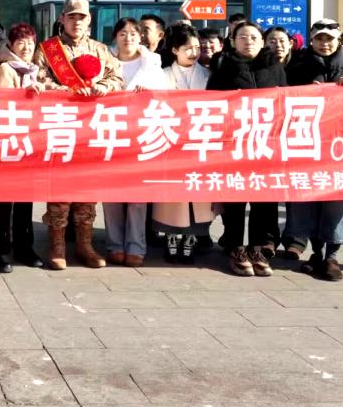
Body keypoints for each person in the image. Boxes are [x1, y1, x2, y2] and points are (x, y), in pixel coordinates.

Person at [33, 0, 124, 270]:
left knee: (87, 188)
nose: (76, 22)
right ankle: (57, 246)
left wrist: (105, 86)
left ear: (89, 20)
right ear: (62, 19)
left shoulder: (100, 49)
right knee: (59, 189)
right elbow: (38, 79)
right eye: (71, 16)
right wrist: (63, 89)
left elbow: (118, 78)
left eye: (81, 17)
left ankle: (85, 245)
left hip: (91, 129)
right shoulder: (48, 49)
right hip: (60, 127)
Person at [283, 19, 343, 280]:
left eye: (329, 39)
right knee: (307, 201)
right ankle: (316, 253)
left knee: (338, 201)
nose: (324, 43)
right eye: (319, 38)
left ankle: (333, 256)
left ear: (338, 40)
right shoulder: (297, 68)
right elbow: (281, 99)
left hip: (342, 150)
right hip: (306, 146)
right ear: (311, 40)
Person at [207, 21, 286, 277]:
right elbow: (212, 102)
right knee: (235, 197)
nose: (248, 41)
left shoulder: (274, 66)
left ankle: (257, 248)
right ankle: (235, 247)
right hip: (234, 142)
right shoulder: (223, 65)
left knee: (264, 198)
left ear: (262, 41)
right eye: (242, 37)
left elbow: (285, 100)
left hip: (266, 142)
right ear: (232, 41)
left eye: (253, 37)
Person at [104, 17, 166, 267]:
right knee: (111, 194)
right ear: (115, 37)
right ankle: (114, 244)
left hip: (141, 135)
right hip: (110, 133)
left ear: (140, 37)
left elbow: (165, 97)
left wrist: (147, 95)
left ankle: (136, 246)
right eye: (122, 33)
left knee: (137, 197)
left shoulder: (152, 63)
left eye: (132, 33)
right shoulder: (105, 60)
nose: (128, 38)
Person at [154, 26, 213, 263]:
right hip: (172, 141)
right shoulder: (162, 74)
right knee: (173, 194)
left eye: (197, 47)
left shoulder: (208, 74)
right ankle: (171, 238)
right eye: (187, 48)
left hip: (200, 140)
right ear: (174, 50)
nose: (194, 52)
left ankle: (192, 238)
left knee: (197, 192)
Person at [0, 23, 45, 272]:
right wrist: (25, 93)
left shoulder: (34, 69)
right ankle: (1, 250)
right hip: (9, 140)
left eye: (31, 43)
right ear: (11, 45)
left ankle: (25, 246)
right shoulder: (6, 68)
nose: (26, 47)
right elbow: (3, 102)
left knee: (26, 199)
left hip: (30, 142)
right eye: (21, 42)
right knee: (4, 199)